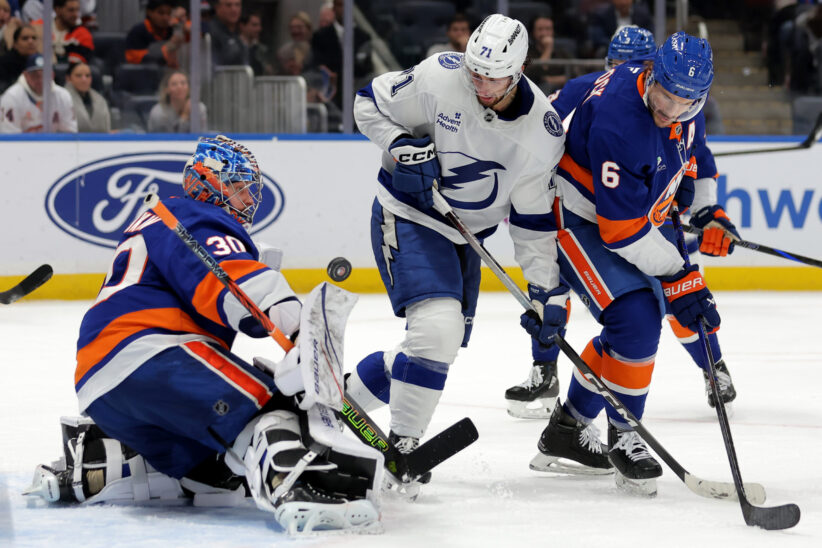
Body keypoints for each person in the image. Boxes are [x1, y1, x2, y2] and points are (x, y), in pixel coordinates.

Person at [23, 135, 382, 534]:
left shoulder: (157, 221)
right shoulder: (192, 215)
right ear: (209, 181)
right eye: (238, 186)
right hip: (152, 352)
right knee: (267, 408)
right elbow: (234, 281)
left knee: (211, 469)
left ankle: (97, 464)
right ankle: (297, 486)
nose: (247, 199)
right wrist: (299, 328)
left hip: (99, 382)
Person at [348, 14, 566, 491]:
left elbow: (531, 227)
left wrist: (545, 291)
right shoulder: (441, 75)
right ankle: (404, 445)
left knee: (434, 345)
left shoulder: (542, 134)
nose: (479, 84)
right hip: (409, 213)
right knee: (436, 330)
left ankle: (343, 399)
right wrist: (399, 144)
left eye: (493, 78)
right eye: (475, 72)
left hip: (467, 237)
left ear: (519, 71)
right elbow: (368, 103)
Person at [506, 26, 739, 419]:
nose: (672, 108)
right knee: (559, 294)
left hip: (638, 212)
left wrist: (707, 210)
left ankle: (712, 365)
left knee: (668, 301)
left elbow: (697, 157)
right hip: (593, 214)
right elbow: (541, 143)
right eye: (618, 62)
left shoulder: (686, 103)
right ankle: (545, 368)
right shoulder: (596, 97)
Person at [0, 52, 77, 133]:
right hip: (23, 141)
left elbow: (70, 133)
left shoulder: (63, 96)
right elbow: (9, 136)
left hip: (52, 141)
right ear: (26, 75)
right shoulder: (12, 97)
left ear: (52, 75)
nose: (40, 80)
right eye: (35, 75)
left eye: (45, 75)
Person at [125, 0, 187, 69]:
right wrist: (166, 49)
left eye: (169, 13)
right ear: (149, 12)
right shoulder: (138, 31)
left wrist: (183, 23)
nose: (165, 18)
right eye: (161, 13)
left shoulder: (171, 29)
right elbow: (133, 60)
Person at [523, 14, 574, 95]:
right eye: (540, 29)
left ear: (553, 31)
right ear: (533, 32)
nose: (544, 33)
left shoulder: (562, 53)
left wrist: (548, 79)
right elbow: (531, 77)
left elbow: (575, 75)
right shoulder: (526, 53)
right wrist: (548, 49)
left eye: (548, 29)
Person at [33, 0, 95, 64]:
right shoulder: (40, 26)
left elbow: (80, 62)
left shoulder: (83, 33)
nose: (75, 14)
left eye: (77, 10)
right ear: (57, 10)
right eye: (71, 10)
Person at [64, 60, 109, 132]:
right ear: (68, 78)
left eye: (87, 75)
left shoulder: (100, 100)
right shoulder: (62, 98)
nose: (84, 79)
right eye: (78, 75)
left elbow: (106, 130)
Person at [0, 22, 36, 92]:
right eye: (25, 38)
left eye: (34, 38)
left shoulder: (40, 60)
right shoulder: (4, 63)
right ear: (15, 43)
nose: (31, 41)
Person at [209, 0, 245, 66]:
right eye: (228, 5)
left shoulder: (235, 32)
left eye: (237, 5)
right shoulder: (211, 32)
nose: (234, 9)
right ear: (217, 8)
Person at [239, 11, 273, 76]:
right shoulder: (235, 47)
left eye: (259, 25)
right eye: (254, 25)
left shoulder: (262, 49)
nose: (259, 29)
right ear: (242, 26)